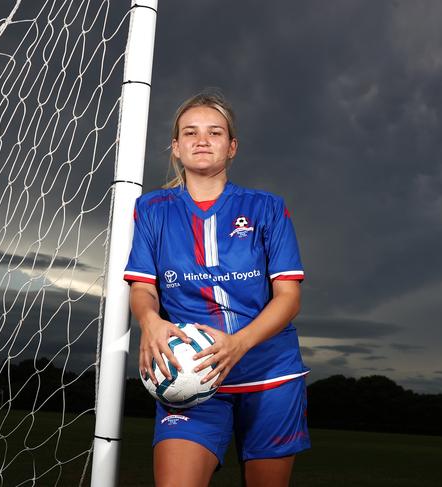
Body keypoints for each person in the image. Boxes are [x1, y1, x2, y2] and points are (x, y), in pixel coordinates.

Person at [123, 91, 310, 487]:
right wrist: (150, 321)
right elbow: (142, 287)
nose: (202, 140)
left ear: (232, 146)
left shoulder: (267, 208)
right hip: (189, 374)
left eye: (215, 132)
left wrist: (238, 344)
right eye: (190, 132)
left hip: (269, 374)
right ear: (176, 146)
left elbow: (289, 299)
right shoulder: (152, 209)